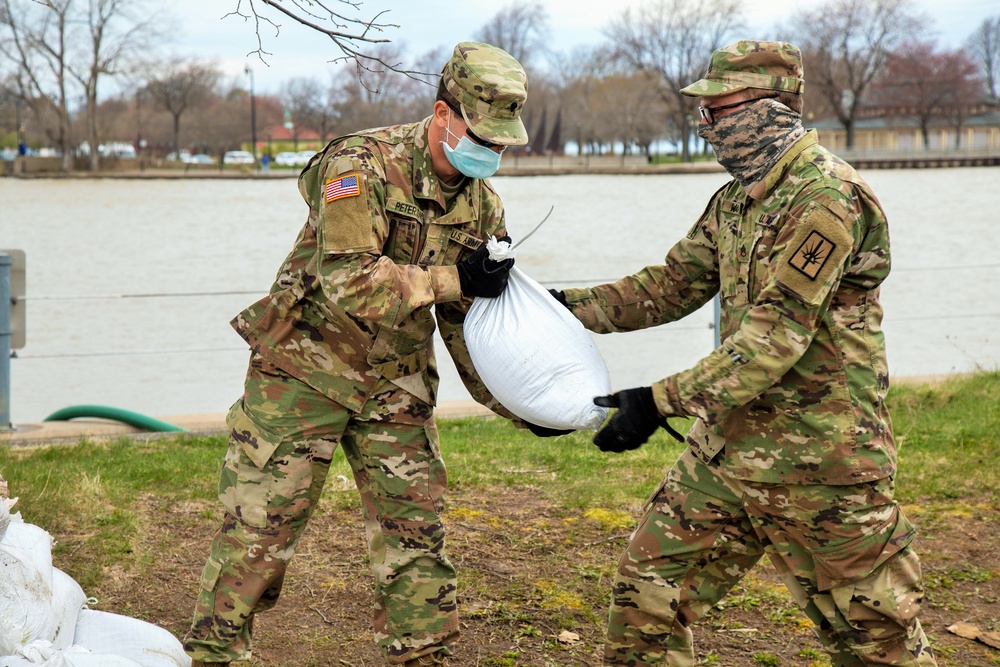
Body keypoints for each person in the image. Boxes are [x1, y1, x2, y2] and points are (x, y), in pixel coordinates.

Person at [551, 41, 937, 666]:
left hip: (822, 462)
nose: (706, 124)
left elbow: (777, 335)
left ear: (772, 108)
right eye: (704, 111)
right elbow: (668, 287)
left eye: (720, 109)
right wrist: (548, 307)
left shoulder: (828, 197)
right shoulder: (735, 201)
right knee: (647, 600)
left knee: (875, 641)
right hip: (728, 452)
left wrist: (655, 402)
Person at [183, 42, 550, 667]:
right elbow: (350, 281)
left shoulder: (484, 204)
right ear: (443, 114)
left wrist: (518, 405)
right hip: (303, 369)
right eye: (481, 135)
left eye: (502, 142)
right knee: (259, 531)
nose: (490, 152)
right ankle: (213, 654)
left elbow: (471, 325)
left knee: (417, 533)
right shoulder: (360, 164)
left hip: (395, 381)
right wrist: (452, 279)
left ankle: (422, 654)